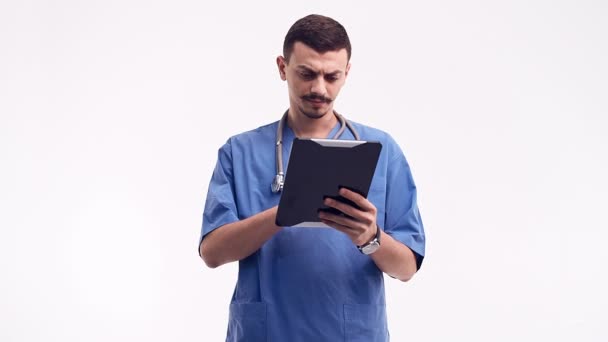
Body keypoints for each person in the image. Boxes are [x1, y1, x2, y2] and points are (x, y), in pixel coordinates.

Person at [198, 14, 425, 342]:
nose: (319, 88)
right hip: (266, 333)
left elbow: (406, 268)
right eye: (307, 74)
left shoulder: (382, 152)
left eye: (332, 76)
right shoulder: (240, 152)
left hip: (351, 333)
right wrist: (284, 212)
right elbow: (212, 253)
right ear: (282, 67)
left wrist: (370, 236)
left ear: (347, 73)